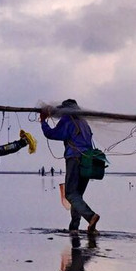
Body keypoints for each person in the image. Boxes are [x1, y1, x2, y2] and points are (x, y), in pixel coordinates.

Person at [40, 99, 100, 234]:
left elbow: (51, 134)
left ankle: (91, 216)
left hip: (74, 159)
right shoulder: (84, 122)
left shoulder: (68, 119)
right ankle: (74, 228)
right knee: (77, 195)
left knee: (70, 194)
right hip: (87, 161)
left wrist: (43, 121)